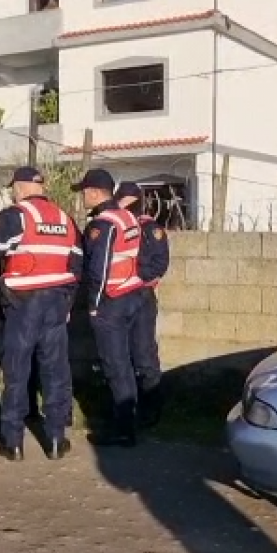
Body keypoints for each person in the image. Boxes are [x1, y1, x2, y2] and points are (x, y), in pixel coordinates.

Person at [0, 166, 82, 461]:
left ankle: (12, 442)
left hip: (24, 302)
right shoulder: (64, 218)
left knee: (16, 371)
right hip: (56, 301)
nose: (12, 192)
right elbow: (77, 265)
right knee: (55, 372)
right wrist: (67, 303)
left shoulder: (15, 216)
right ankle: (54, 440)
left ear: (22, 187)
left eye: (14, 187)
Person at [72, 169, 145, 448]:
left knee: (115, 366)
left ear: (93, 192)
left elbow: (98, 268)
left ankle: (122, 430)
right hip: (130, 296)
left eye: (83, 192)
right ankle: (128, 421)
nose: (82, 198)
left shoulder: (102, 224)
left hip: (111, 302)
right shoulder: (127, 216)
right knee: (124, 364)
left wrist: (94, 304)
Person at [114, 181, 170, 428]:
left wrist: (134, 275)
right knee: (120, 354)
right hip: (118, 296)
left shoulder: (150, 228)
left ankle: (151, 409)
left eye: (123, 200)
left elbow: (159, 264)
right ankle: (128, 407)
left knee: (144, 354)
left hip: (142, 296)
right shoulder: (115, 225)